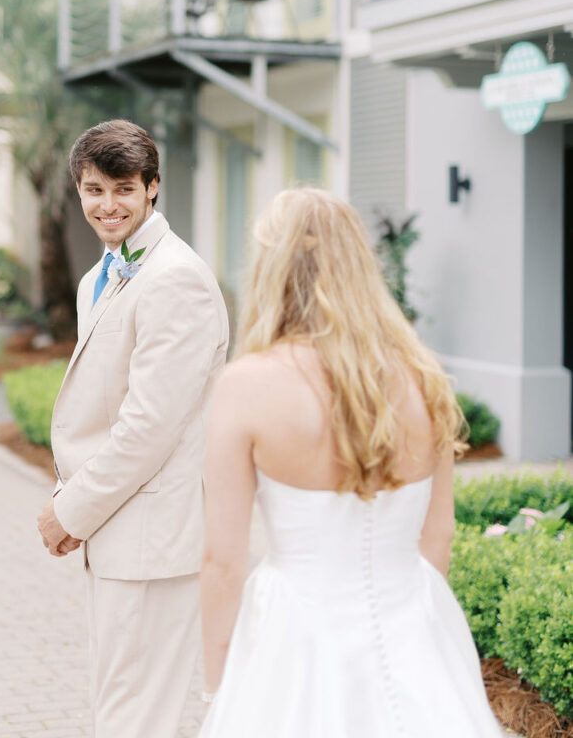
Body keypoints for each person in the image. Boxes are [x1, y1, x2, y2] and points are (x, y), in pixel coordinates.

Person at [199, 187, 502, 738]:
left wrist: (221, 689)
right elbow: (438, 537)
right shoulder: (423, 377)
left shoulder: (246, 386)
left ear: (271, 269)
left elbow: (223, 562)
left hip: (295, 643)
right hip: (413, 634)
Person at [36, 119, 229, 738]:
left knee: (136, 716)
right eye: (94, 190)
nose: (108, 205)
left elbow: (149, 427)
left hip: (153, 539)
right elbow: (100, 408)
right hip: (119, 533)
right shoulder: (101, 275)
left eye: (123, 188)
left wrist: (70, 511)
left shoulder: (176, 279)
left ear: (152, 187)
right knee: (122, 707)